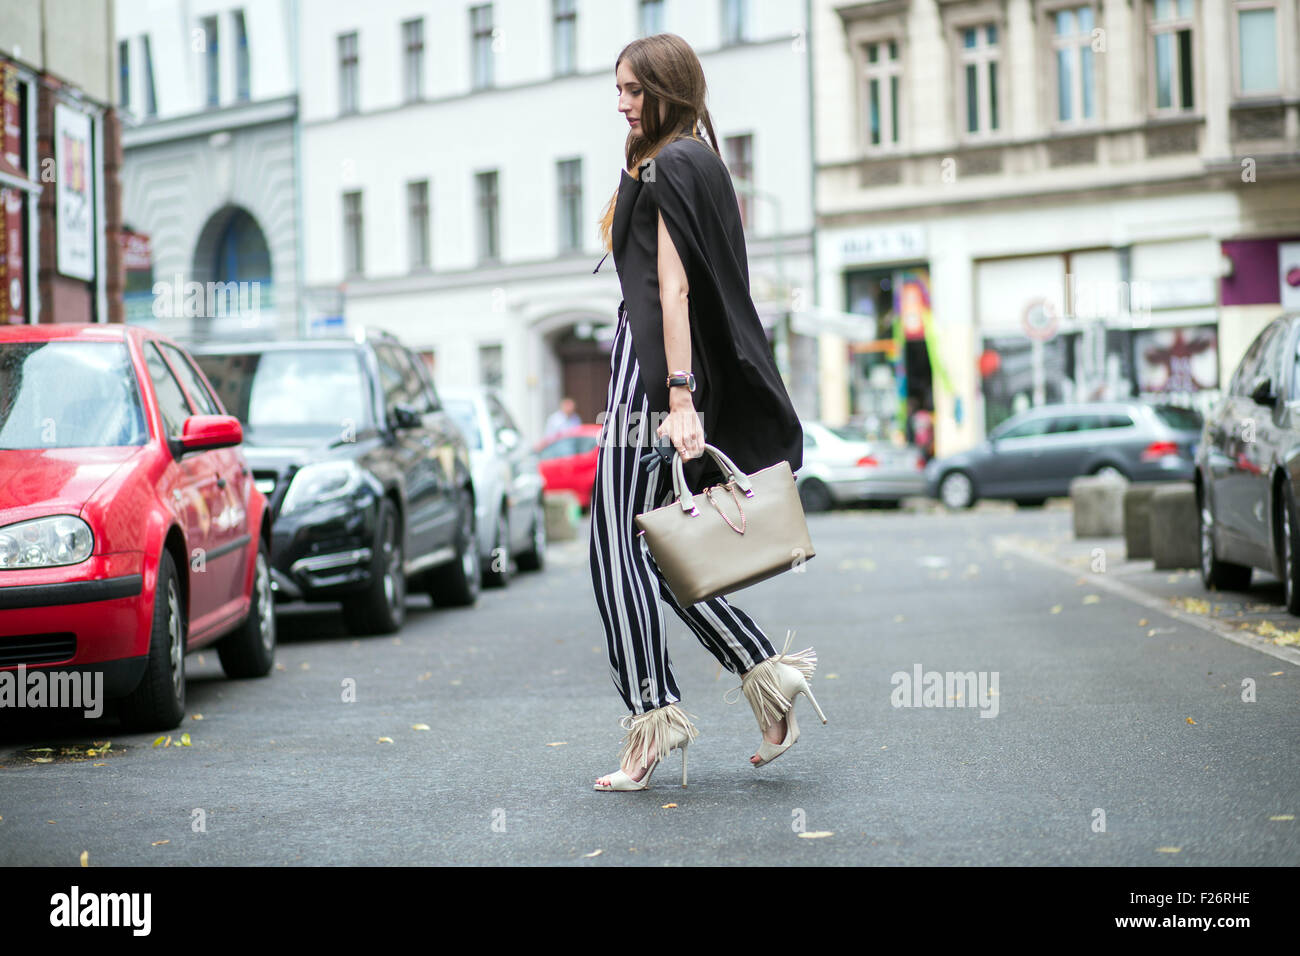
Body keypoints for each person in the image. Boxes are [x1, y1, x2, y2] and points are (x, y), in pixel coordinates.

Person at [588, 34, 827, 791]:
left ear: (666, 88)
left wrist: (678, 398)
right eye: (618, 89)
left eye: (631, 89)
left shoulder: (673, 166)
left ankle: (649, 720)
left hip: (650, 371)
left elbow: (675, 288)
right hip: (657, 367)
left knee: (612, 543)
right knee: (663, 547)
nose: (620, 103)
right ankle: (766, 674)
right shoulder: (696, 162)